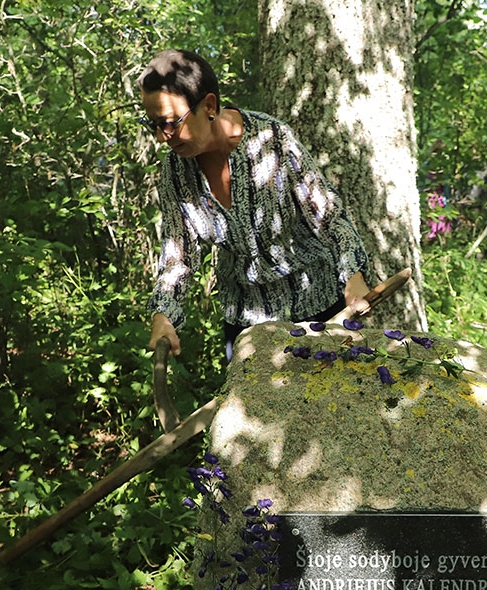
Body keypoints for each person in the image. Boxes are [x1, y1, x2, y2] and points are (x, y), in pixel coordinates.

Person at [139, 50, 371, 360]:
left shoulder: (272, 139)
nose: (162, 137)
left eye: (170, 123)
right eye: (153, 124)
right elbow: (177, 255)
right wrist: (163, 316)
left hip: (321, 306)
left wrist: (353, 274)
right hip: (247, 326)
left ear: (208, 106)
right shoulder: (175, 172)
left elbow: (327, 217)